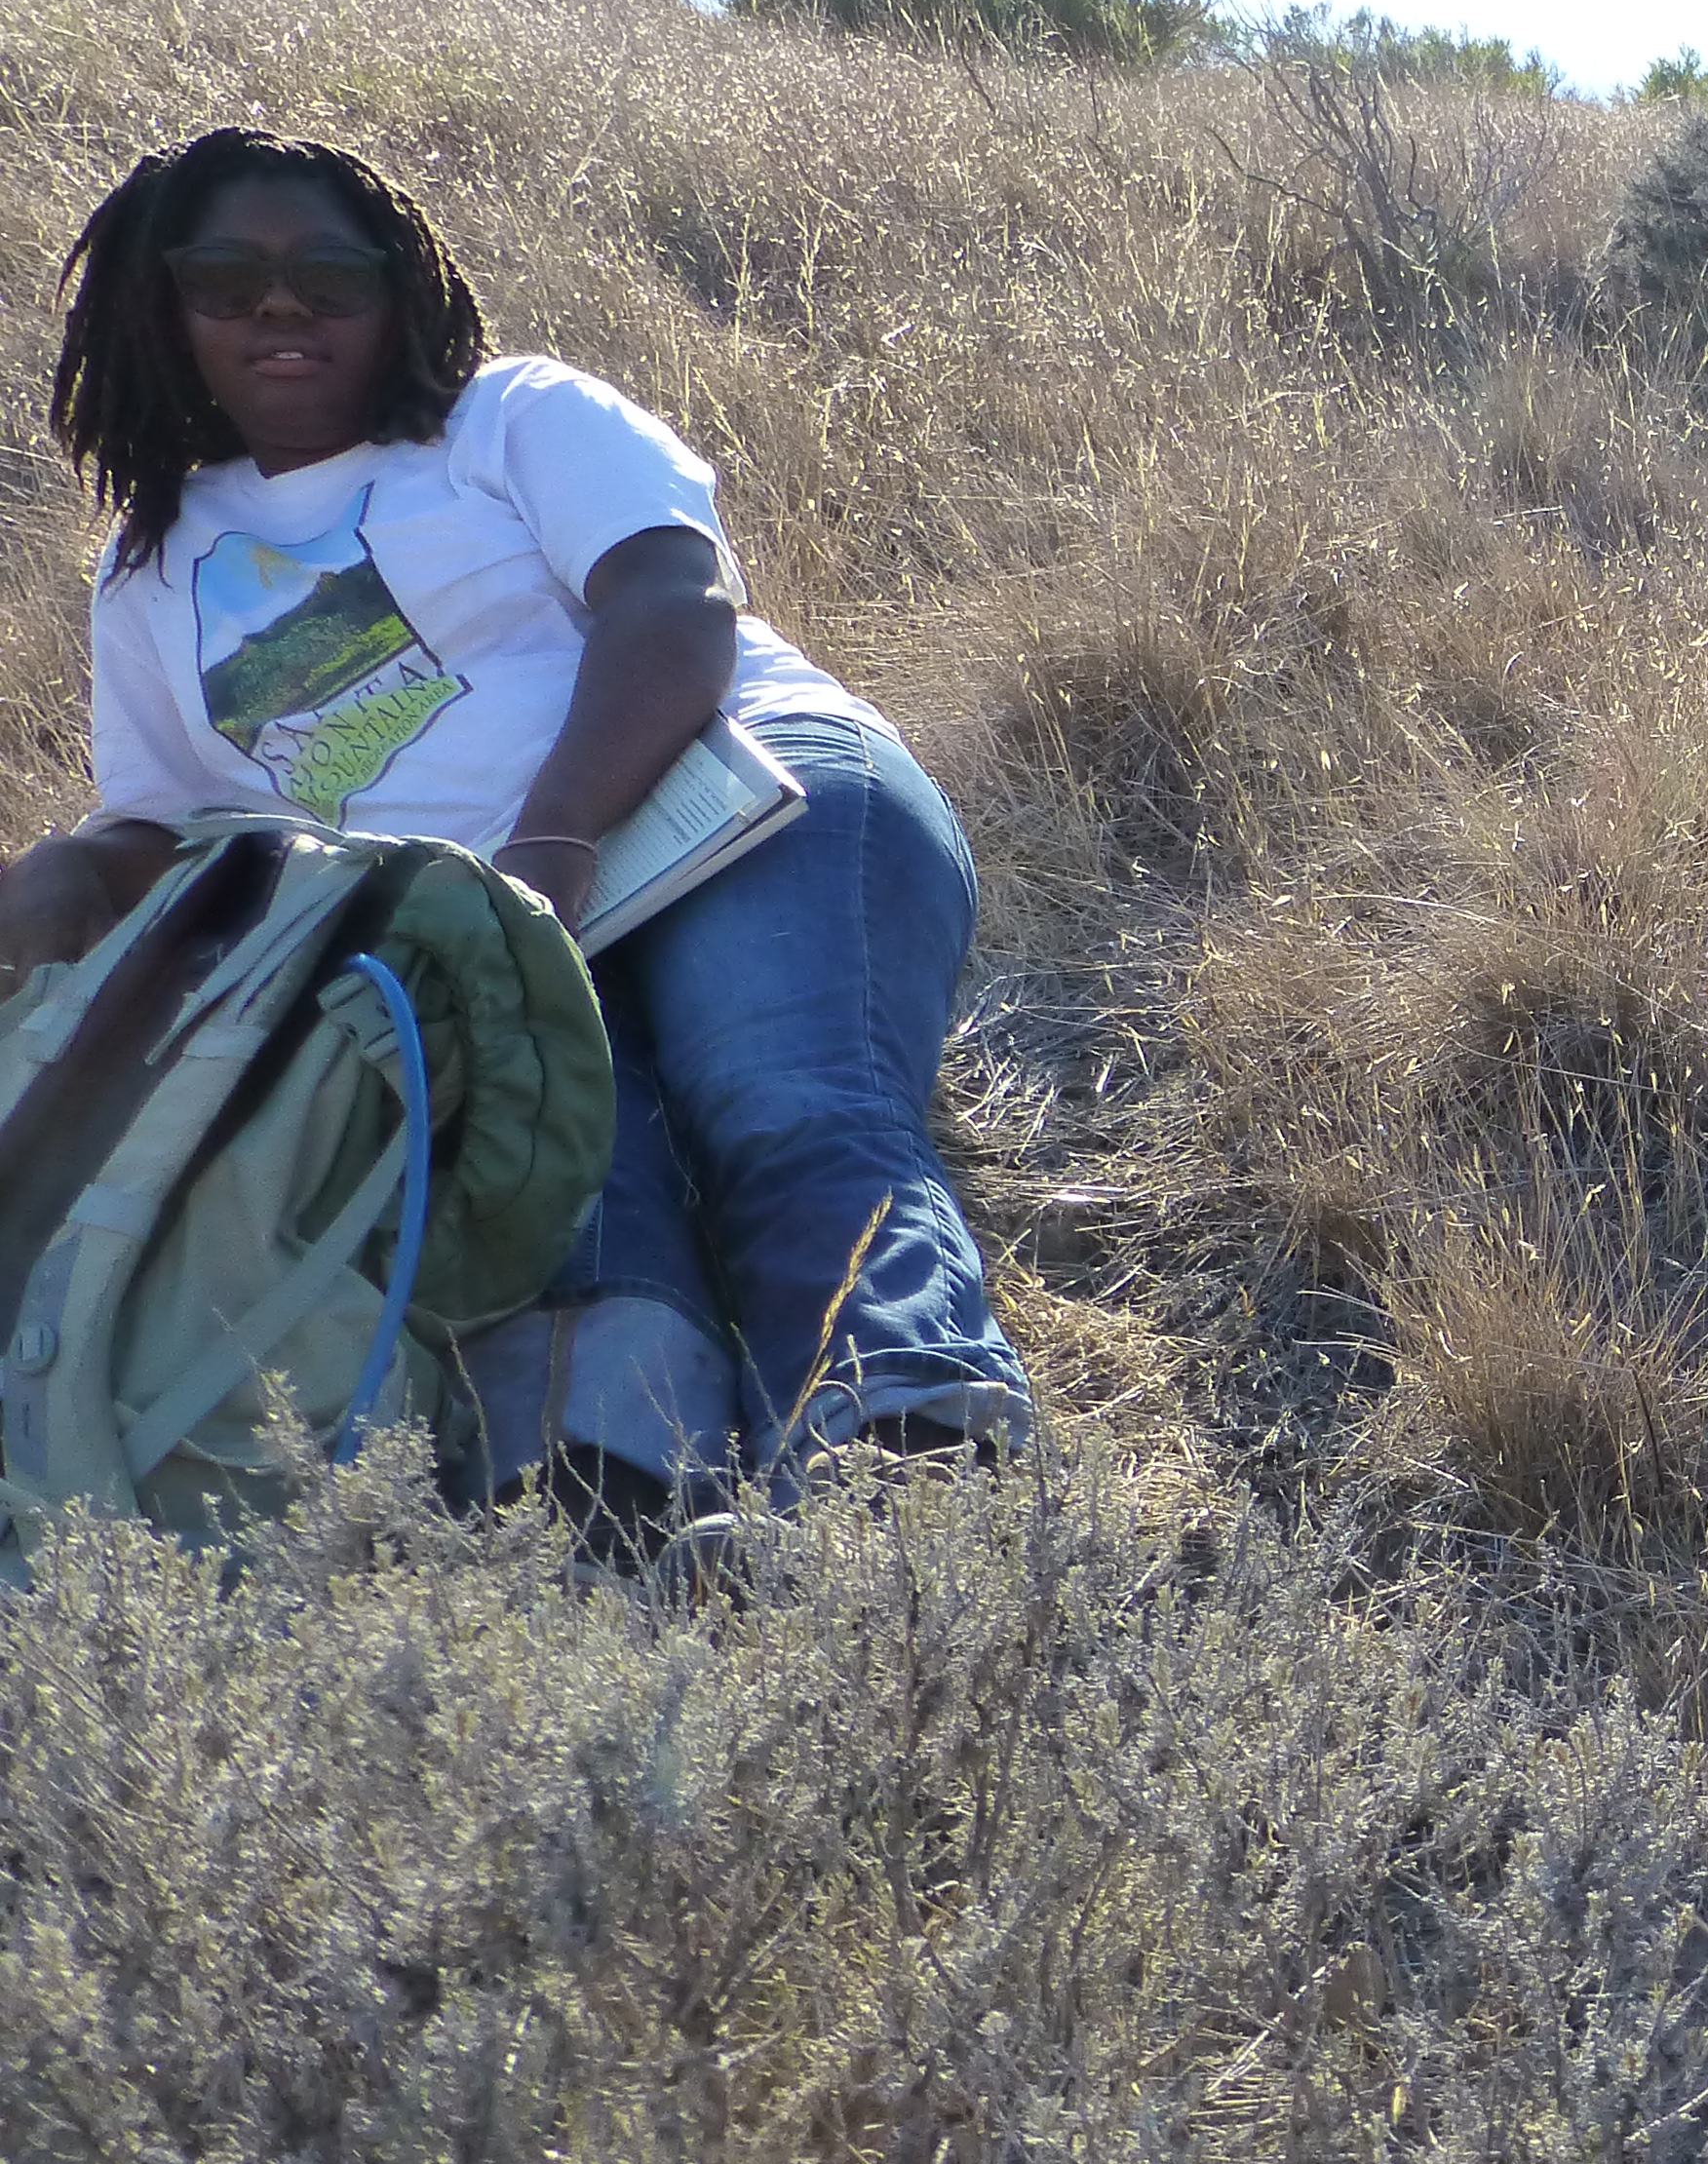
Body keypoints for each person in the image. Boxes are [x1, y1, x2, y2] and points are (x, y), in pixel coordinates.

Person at [0, 127, 1028, 1553]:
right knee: (555, 1190)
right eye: (226, 279)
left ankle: (908, 1501)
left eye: (329, 276)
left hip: (740, 798)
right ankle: (613, 1521)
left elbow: (671, 609)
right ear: (161, 308)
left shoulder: (510, 419)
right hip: (481, 923)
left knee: (789, 1109)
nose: (281, 306)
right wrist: (62, 874)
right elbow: (184, 837)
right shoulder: (148, 567)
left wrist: (550, 847)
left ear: (399, 289)